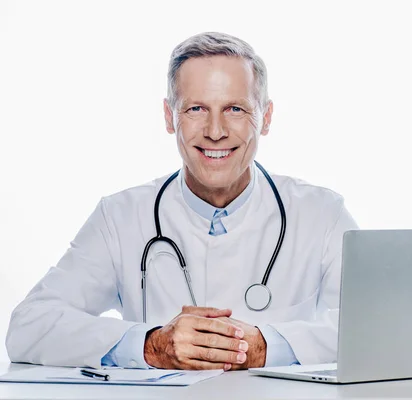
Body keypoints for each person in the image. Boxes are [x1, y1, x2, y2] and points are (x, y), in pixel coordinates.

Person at [5, 32, 358, 371]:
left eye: (235, 108)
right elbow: (29, 327)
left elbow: (380, 325)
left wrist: (266, 346)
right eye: (196, 109)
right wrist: (151, 346)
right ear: (168, 116)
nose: (215, 130)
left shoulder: (321, 215)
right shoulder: (120, 217)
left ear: (265, 118)